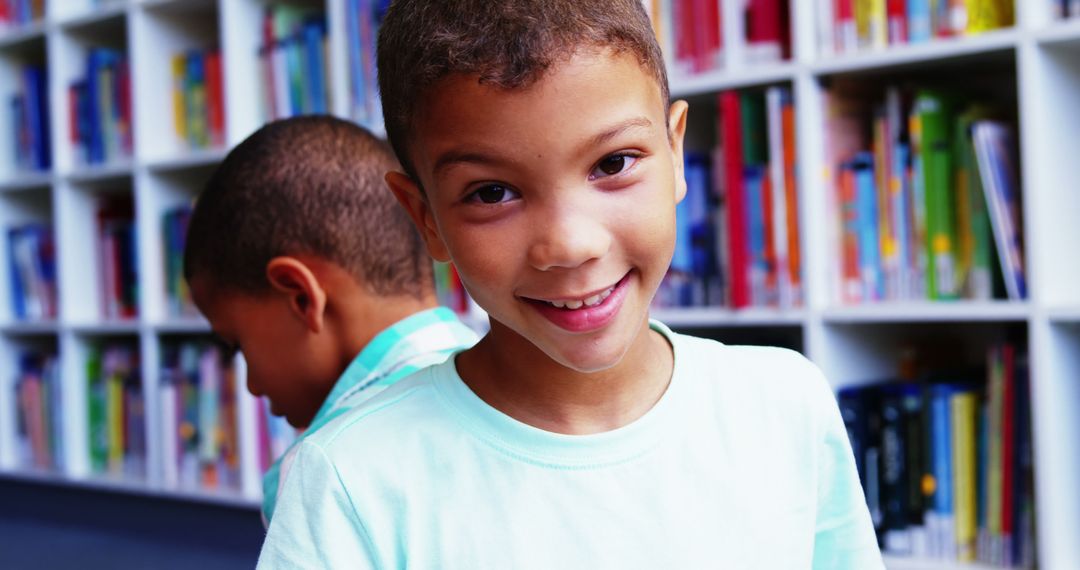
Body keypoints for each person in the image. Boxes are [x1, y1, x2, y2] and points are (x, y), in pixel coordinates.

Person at [257, 1, 883, 567]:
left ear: (675, 154)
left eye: (613, 164)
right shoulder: (348, 479)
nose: (570, 245)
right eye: (491, 193)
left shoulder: (786, 405)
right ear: (425, 218)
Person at [183, 116, 478, 525]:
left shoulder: (321, 473)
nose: (251, 385)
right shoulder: (533, 397)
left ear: (301, 297)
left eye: (238, 344)